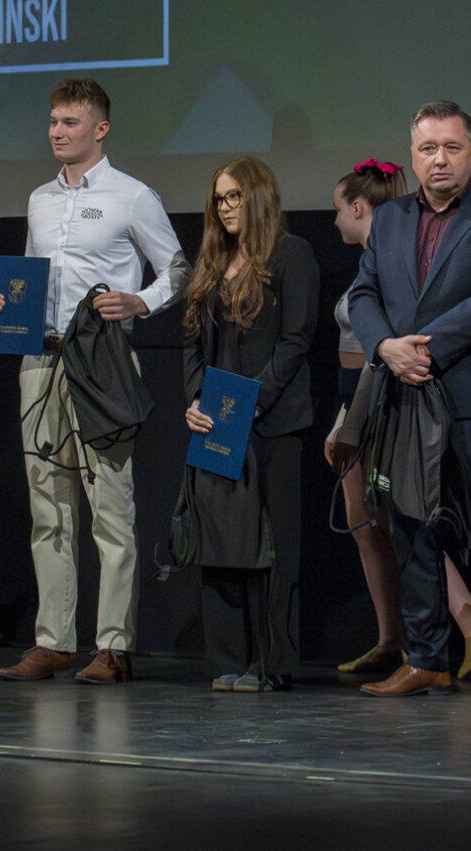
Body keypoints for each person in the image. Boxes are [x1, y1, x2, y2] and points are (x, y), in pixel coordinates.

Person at [0, 77, 190, 685]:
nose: (57, 132)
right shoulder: (40, 199)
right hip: (41, 361)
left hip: (103, 361)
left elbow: (179, 269)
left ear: (100, 129)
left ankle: (114, 646)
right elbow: (29, 279)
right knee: (48, 504)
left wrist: (141, 301)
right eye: (52, 121)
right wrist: (5, 303)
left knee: (110, 506)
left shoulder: (133, 196)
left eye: (69, 122)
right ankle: (53, 641)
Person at [348, 100, 471, 703]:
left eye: (452, 147)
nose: (440, 159)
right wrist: (385, 347)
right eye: (429, 148)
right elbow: (363, 293)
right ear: (413, 155)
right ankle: (427, 658)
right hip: (405, 393)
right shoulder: (390, 218)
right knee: (411, 529)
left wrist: (420, 346)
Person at [327, 159, 471, 680]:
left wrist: (348, 424)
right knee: (368, 522)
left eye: (338, 209)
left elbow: (380, 349)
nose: (334, 220)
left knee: (403, 517)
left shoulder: (395, 260)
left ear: (359, 207)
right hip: (356, 397)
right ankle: (394, 638)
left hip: (375, 400)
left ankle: (470, 625)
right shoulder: (374, 259)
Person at [182, 156, 319, 692]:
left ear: (258, 196)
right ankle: (227, 660)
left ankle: (270, 664)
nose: (225, 207)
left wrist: (254, 401)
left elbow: (296, 339)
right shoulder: (212, 261)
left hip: (271, 421)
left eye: (234, 196)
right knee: (221, 540)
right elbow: (191, 342)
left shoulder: (291, 254)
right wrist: (195, 399)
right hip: (216, 422)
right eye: (219, 198)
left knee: (272, 546)